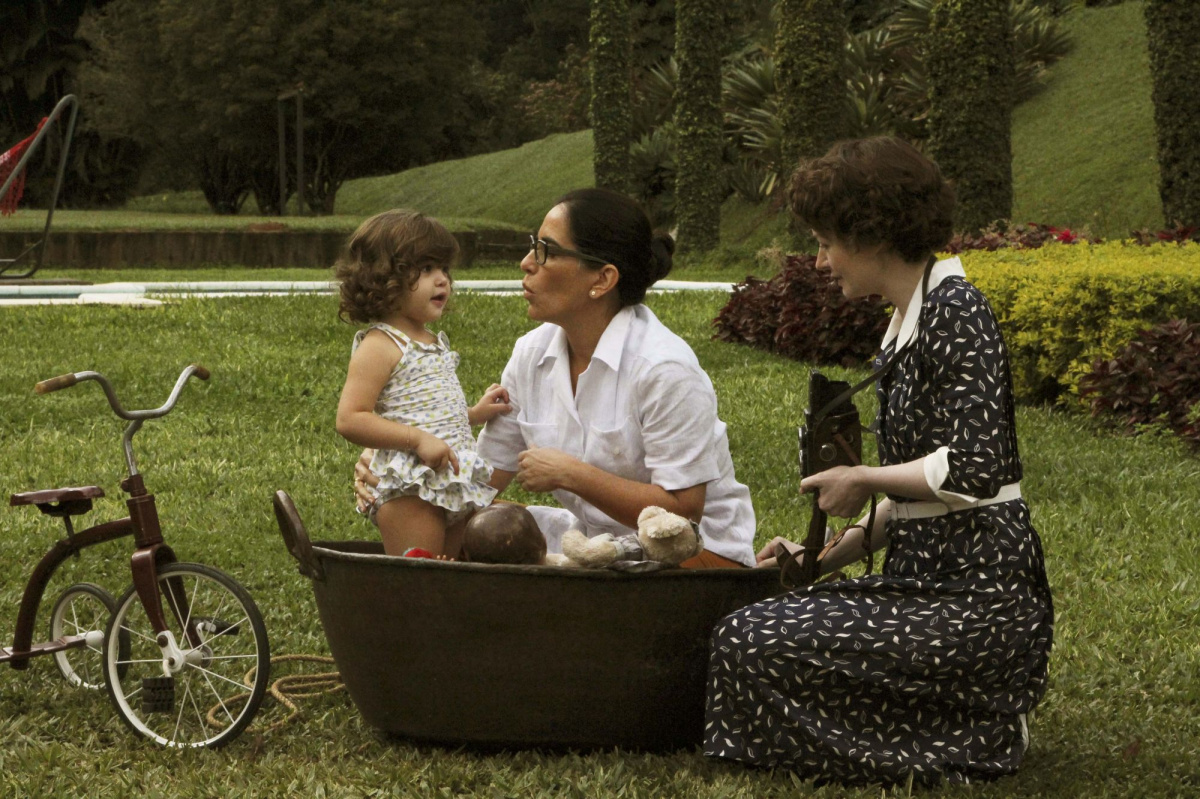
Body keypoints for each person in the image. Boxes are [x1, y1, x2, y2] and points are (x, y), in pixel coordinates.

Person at [704, 137, 1054, 786]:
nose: (820, 259)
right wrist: (819, 560)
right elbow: (916, 495)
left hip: (979, 599)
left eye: (825, 241)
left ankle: (979, 726)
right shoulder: (910, 320)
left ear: (870, 235)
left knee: (751, 641)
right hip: (926, 579)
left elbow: (974, 468)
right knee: (743, 633)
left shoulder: (957, 312)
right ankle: (946, 722)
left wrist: (861, 477)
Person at [355, 188, 756, 567]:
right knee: (471, 521)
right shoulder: (532, 354)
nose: (526, 262)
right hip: (595, 547)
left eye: (546, 251)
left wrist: (574, 475)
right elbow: (484, 481)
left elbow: (683, 512)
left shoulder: (664, 369)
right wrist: (402, 474)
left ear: (602, 280)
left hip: (692, 559)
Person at [335, 209, 513, 557]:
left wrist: (472, 414)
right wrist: (416, 439)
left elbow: (423, 411)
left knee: (451, 573)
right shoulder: (380, 345)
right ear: (384, 278)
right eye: (427, 268)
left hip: (451, 479)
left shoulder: (431, 340)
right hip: (411, 489)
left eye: (444, 268)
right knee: (420, 576)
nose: (443, 279)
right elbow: (350, 418)